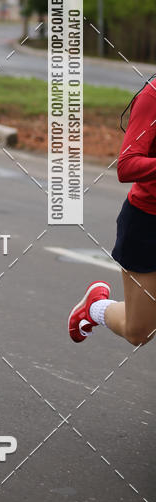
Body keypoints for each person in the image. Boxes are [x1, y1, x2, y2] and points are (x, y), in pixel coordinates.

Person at [68, 77, 156, 347]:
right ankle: (95, 308)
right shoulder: (153, 96)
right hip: (148, 224)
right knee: (139, 332)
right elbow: (127, 165)